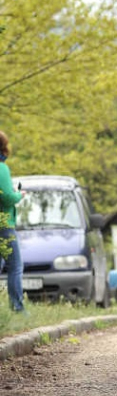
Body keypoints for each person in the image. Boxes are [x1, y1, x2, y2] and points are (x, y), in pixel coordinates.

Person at [0, 131, 25, 313]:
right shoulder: (2, 168)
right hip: (4, 224)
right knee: (15, 266)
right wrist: (19, 195)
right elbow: (7, 198)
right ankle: (17, 307)